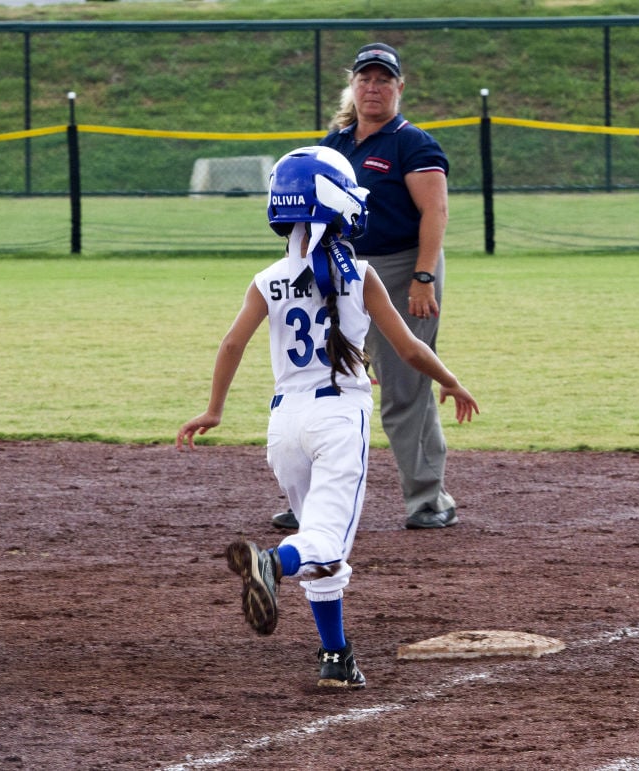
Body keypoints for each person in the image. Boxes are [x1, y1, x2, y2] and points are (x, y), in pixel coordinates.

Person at [177, 147, 478, 688]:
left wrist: (214, 410)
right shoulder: (358, 273)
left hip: (283, 426)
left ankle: (335, 657)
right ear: (339, 206)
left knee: (321, 540)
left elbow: (231, 343)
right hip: (338, 420)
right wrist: (451, 381)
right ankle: (271, 562)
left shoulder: (267, 278)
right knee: (322, 543)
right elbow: (408, 348)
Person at [270, 43, 458, 534]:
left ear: (399, 87)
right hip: (338, 265)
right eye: (365, 78)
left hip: (399, 269)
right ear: (352, 85)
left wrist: (423, 276)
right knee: (319, 379)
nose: (373, 87)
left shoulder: (411, 143)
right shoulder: (334, 144)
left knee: (404, 385)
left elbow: (434, 212)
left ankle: (427, 499)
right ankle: (306, 497)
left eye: (383, 79)